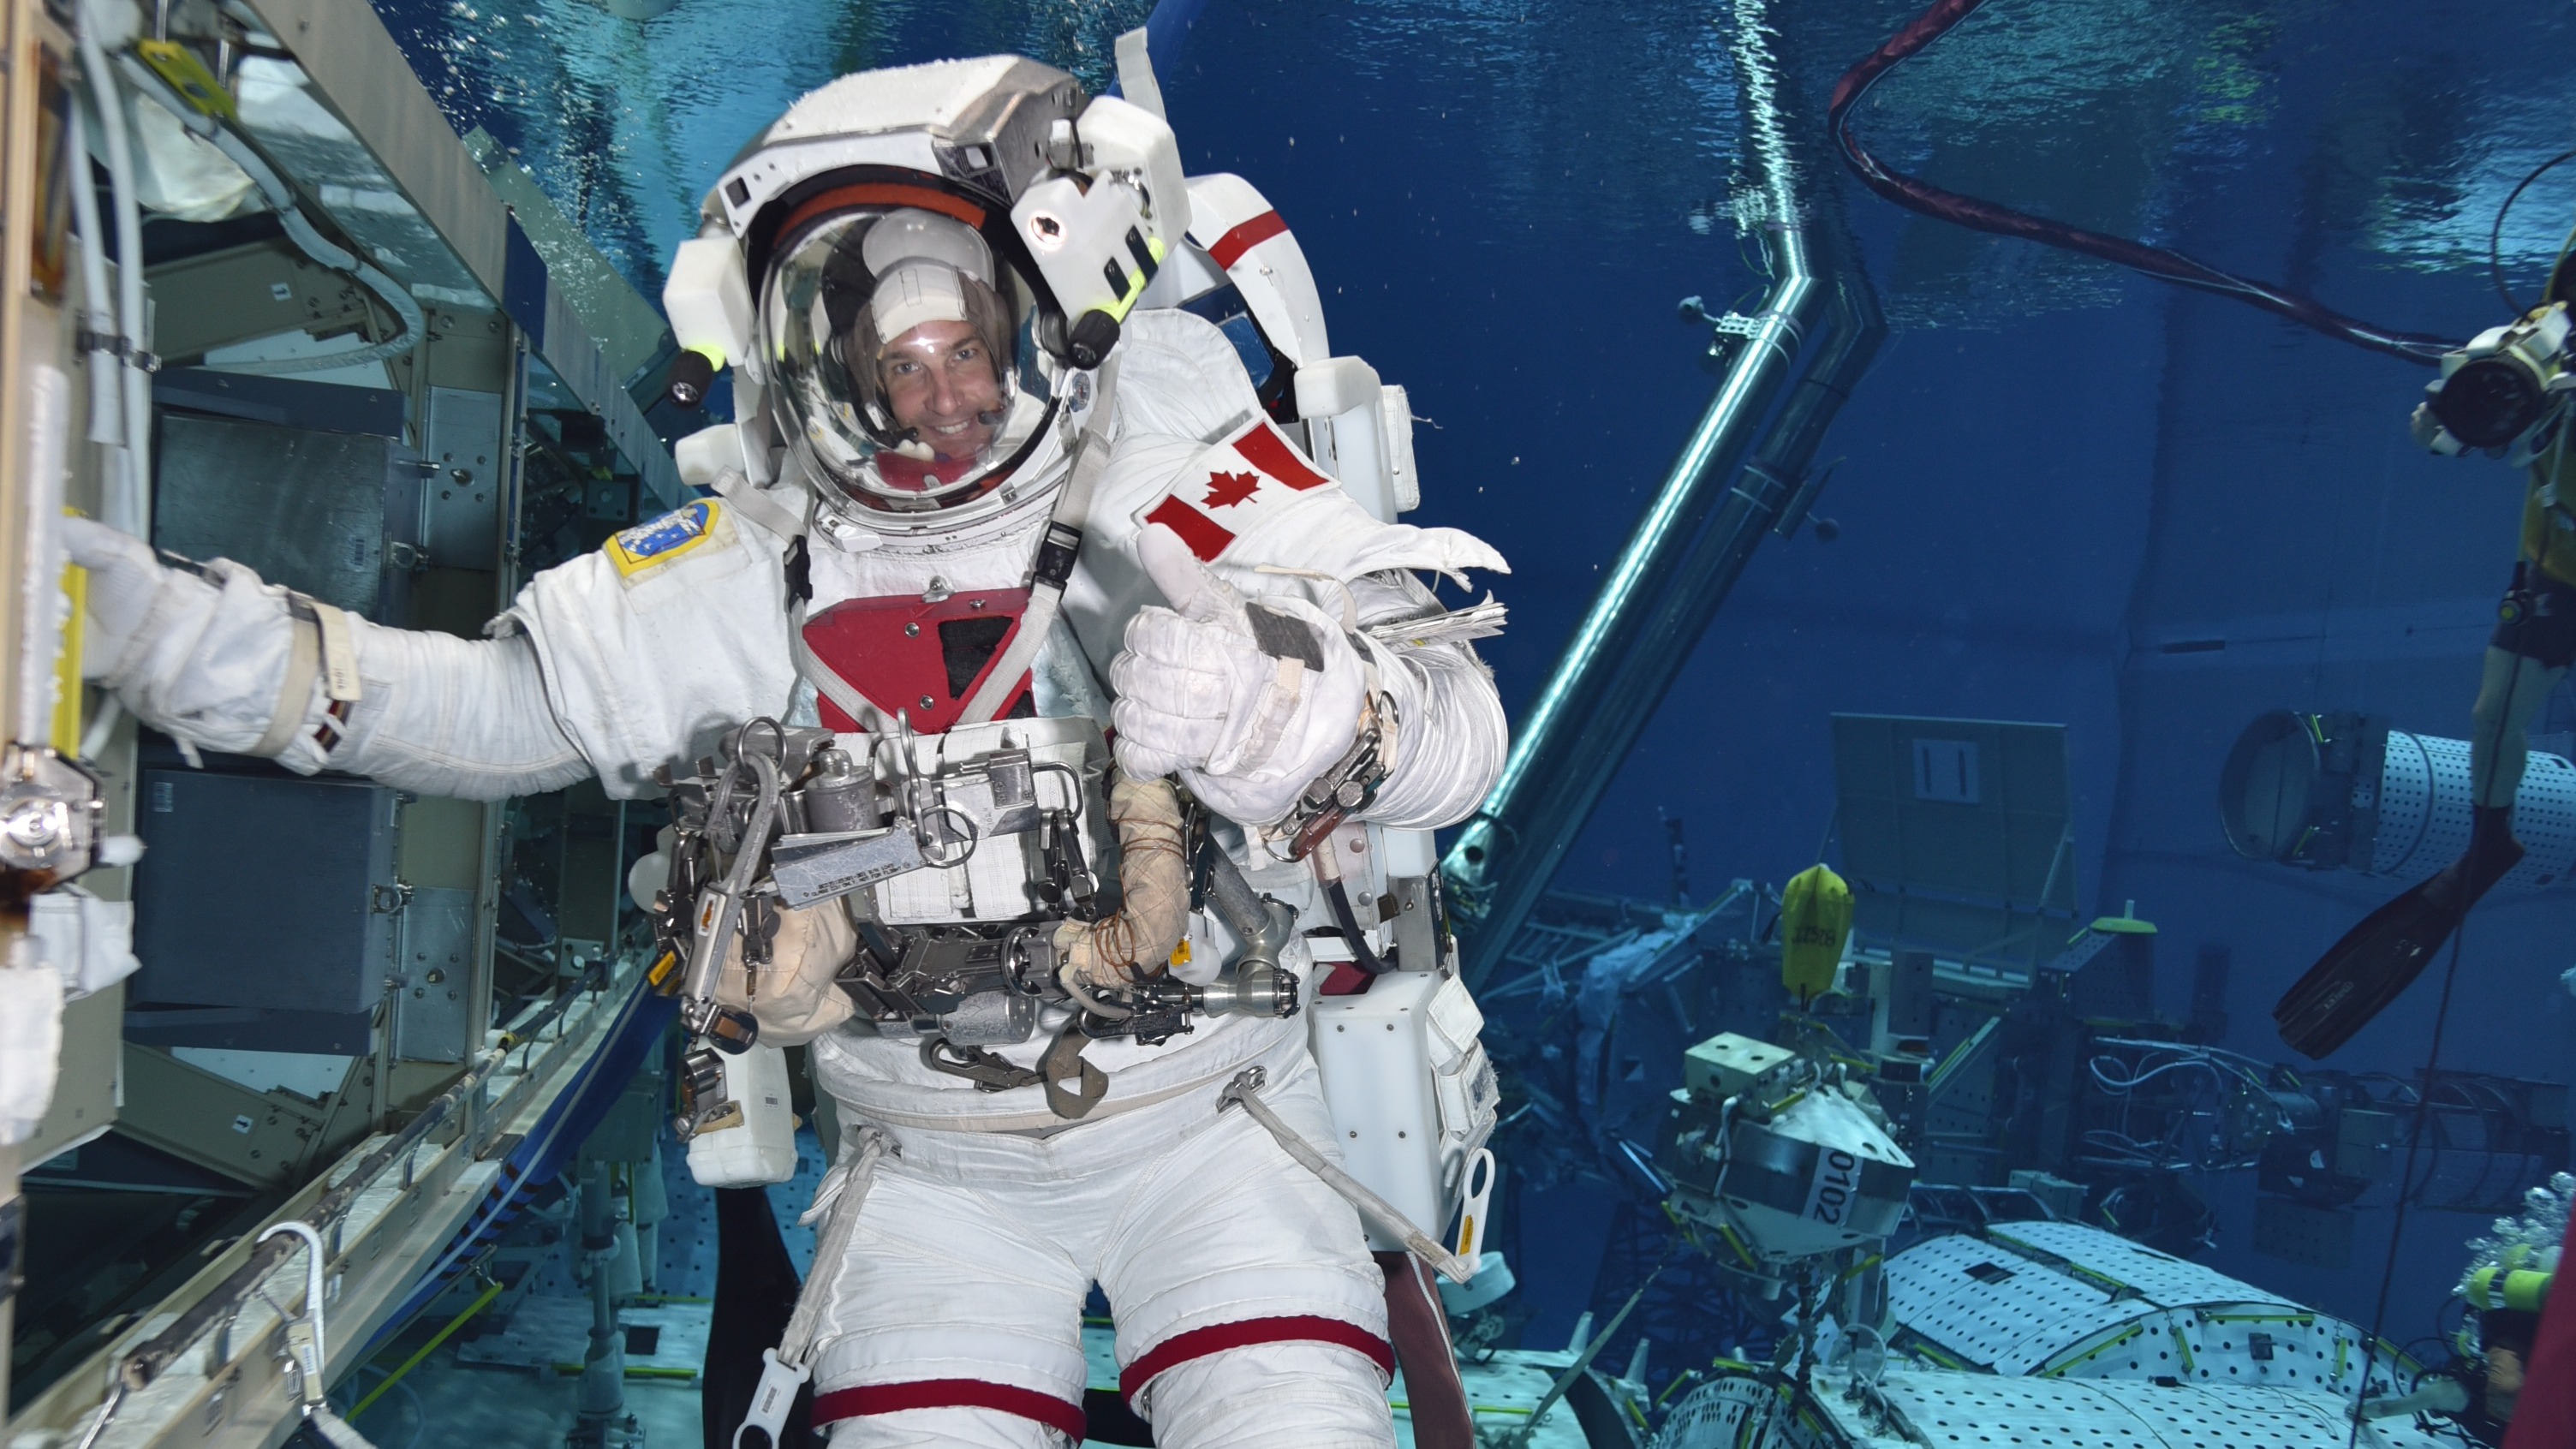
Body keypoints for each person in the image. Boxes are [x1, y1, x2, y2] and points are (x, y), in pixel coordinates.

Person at [66, 56, 1507, 1449]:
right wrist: (194, 651)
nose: (939, 402)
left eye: (966, 352)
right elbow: (501, 714)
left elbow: (1462, 732)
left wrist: (1296, 713)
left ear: (1036, 323)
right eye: (893, 363)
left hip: (1220, 1125)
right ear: (817, 366)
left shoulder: (1171, 471)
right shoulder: (758, 560)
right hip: (927, 1166)